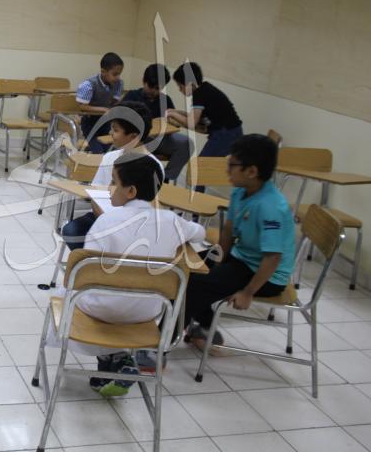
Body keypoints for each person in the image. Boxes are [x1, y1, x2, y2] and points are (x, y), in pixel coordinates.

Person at [59, 153, 206, 397]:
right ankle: (116, 360)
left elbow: (85, 272)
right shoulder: (171, 221)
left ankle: (112, 357)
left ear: (130, 191)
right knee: (114, 298)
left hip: (100, 311)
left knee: (66, 292)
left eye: (114, 182)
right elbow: (200, 233)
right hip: (148, 312)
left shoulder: (106, 221)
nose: (109, 188)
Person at [183, 134, 296, 348]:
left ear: (251, 171)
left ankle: (162, 347)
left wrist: (248, 292)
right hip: (241, 258)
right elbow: (228, 229)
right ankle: (204, 327)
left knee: (196, 285)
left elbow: (273, 257)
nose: (227, 170)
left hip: (266, 275)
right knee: (188, 267)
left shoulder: (271, 207)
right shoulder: (241, 191)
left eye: (232, 165)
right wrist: (218, 259)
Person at [60, 102, 162, 251]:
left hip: (134, 224)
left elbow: (149, 207)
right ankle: (94, 261)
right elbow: (96, 194)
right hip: (101, 216)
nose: (110, 133)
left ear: (134, 136)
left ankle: (106, 260)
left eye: (115, 130)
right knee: (71, 231)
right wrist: (106, 221)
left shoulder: (153, 166)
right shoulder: (110, 157)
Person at [122, 63, 193, 182]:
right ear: (144, 81)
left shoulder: (165, 99)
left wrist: (174, 122)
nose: (155, 91)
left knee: (187, 143)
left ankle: (165, 177)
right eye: (152, 87)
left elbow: (173, 121)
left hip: (161, 139)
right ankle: (137, 179)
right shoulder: (132, 96)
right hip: (138, 140)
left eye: (158, 88)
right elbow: (120, 120)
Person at [166, 61, 242, 157]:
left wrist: (172, 114)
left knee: (202, 164)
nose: (180, 90)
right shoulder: (204, 89)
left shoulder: (199, 94)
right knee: (207, 163)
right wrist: (176, 112)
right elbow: (194, 117)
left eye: (180, 86)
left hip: (226, 133)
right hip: (232, 131)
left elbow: (191, 122)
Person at [75, 52, 125, 153]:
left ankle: (92, 149)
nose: (117, 77)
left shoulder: (118, 83)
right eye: (114, 74)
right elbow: (83, 106)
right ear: (103, 71)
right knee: (98, 151)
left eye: (119, 74)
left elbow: (114, 102)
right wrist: (103, 109)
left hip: (105, 121)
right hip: (89, 122)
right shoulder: (88, 85)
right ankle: (92, 150)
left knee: (109, 150)